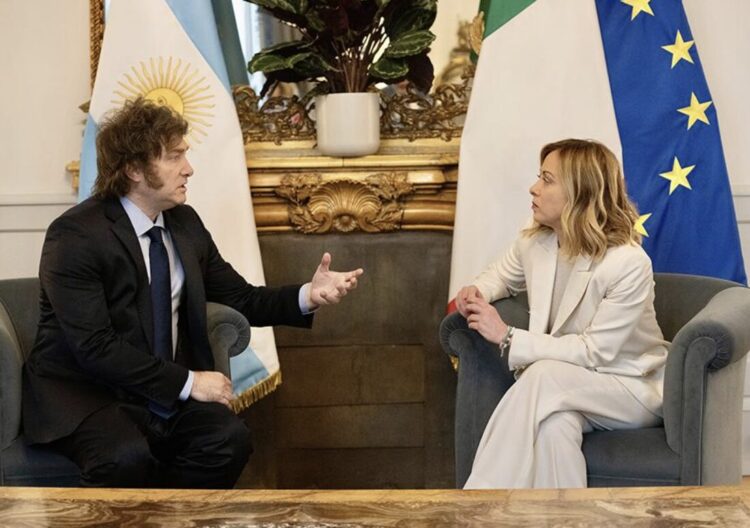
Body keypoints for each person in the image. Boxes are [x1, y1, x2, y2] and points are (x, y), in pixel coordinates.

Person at [22, 97, 364, 489]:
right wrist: (189, 382)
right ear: (134, 168)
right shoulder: (76, 235)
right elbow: (95, 348)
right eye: (174, 157)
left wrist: (308, 295)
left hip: (157, 394)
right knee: (125, 456)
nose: (189, 168)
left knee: (228, 440)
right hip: (88, 393)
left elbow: (242, 298)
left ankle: (171, 516)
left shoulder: (184, 223)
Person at [455, 139, 668, 489]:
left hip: (629, 386)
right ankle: (568, 515)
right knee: (554, 427)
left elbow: (595, 352)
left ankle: (479, 502)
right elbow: (499, 277)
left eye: (547, 180)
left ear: (579, 192)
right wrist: (477, 293)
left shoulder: (628, 263)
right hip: (565, 387)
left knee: (542, 375)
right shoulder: (536, 241)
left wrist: (507, 336)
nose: (534, 188)